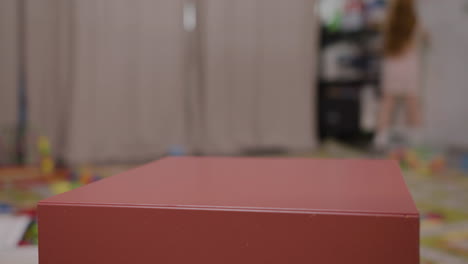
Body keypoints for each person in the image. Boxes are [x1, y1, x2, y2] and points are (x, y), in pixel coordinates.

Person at [374, 0, 426, 149]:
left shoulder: (389, 22)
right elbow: (422, 38)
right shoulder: (414, 22)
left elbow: (383, 44)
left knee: (388, 101)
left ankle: (381, 136)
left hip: (392, 65)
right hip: (409, 64)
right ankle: (416, 138)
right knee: (413, 101)